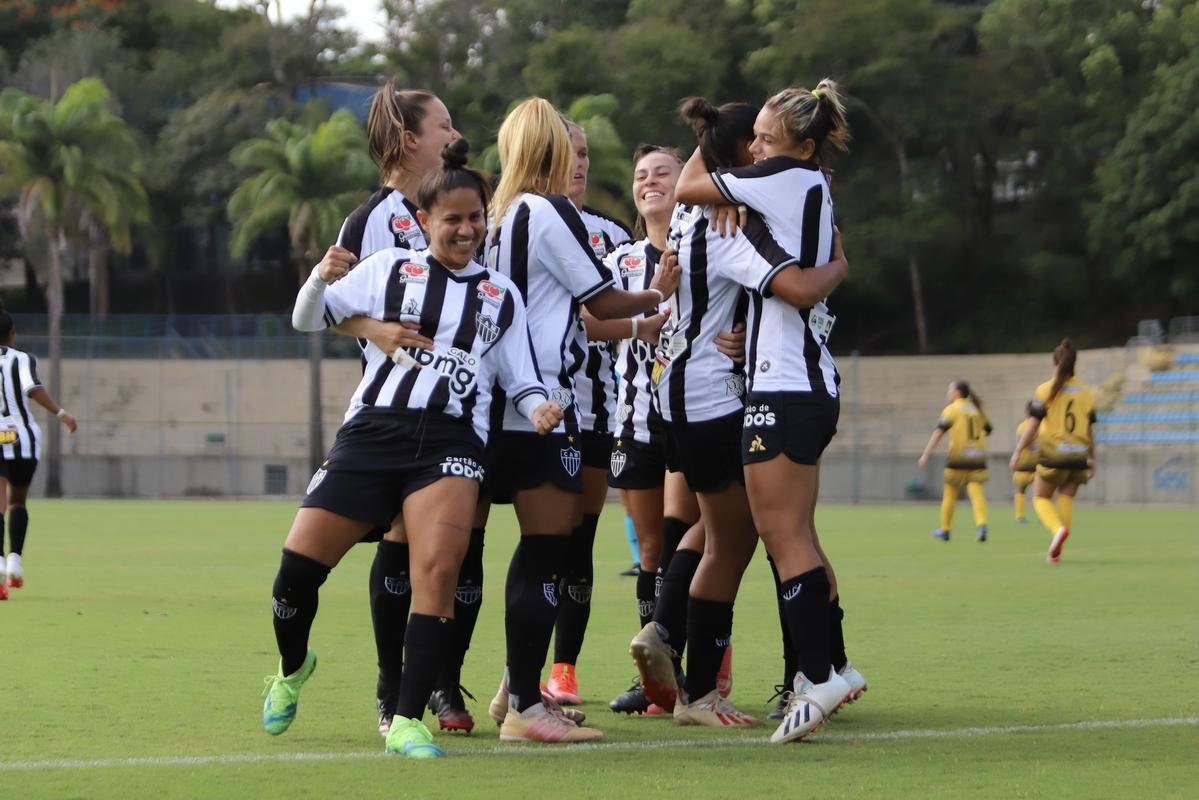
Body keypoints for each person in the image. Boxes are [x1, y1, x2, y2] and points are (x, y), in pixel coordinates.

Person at [267, 139, 563, 759]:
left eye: (475, 217)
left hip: (453, 441)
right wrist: (321, 278)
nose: (465, 229)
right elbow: (306, 320)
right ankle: (292, 667)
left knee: (437, 575)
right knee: (297, 571)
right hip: (374, 430)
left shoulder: (500, 296)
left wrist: (539, 406)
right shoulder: (389, 269)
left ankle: (406, 720)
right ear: (424, 221)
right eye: (451, 219)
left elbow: (522, 375)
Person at [481, 97, 679, 743]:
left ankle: (519, 686)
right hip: (544, 404)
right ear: (551, 149)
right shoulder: (548, 210)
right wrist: (660, 292)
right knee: (550, 549)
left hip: (500, 400)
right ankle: (524, 708)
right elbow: (601, 298)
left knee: (540, 547)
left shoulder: (500, 213)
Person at [673, 79, 865, 744]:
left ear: (801, 147)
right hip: (798, 379)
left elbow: (688, 187)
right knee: (797, 537)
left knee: (781, 538)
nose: (754, 147)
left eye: (766, 137)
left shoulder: (780, 180)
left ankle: (818, 677)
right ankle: (827, 669)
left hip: (783, 388)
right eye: (749, 136)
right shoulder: (805, 185)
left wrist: (711, 144)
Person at [312, 84, 483, 737]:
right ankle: (393, 689)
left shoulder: (462, 206)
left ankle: (442, 682)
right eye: (443, 124)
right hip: (395, 416)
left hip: (465, 411)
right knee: (401, 545)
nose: (453, 132)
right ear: (411, 138)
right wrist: (375, 331)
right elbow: (328, 308)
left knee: (460, 552)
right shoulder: (371, 219)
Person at [601, 144, 702, 715]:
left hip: (690, 421)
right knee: (652, 553)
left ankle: (700, 666)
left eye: (662, 172)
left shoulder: (703, 247)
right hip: (635, 423)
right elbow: (593, 319)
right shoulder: (621, 261)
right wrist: (642, 319)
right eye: (641, 176)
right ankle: (657, 680)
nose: (650, 182)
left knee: (689, 549)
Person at [543, 121, 633, 706]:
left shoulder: (611, 235)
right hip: (535, 413)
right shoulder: (515, 224)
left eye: (585, 154)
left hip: (598, 412)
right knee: (539, 544)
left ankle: (564, 670)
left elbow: (609, 310)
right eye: (567, 153)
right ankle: (506, 671)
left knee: (580, 540)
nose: (579, 164)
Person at [0, 311, 77, 600]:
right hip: (23, 438)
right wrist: (61, 413)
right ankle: (15, 562)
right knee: (18, 501)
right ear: (13, 333)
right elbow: (33, 389)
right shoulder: (22, 359)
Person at [1010, 339, 1096, 564]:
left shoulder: (1045, 390)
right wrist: (1092, 458)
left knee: (1040, 497)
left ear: (1055, 362)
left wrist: (1018, 450)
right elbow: (1089, 430)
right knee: (1066, 498)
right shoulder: (1086, 393)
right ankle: (1059, 550)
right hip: (1079, 455)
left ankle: (1057, 530)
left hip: (1054, 455)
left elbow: (1033, 425)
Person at [918, 380, 993, 542]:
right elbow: (988, 430)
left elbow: (939, 433)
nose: (948, 392)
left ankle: (945, 530)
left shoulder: (952, 409)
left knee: (950, 493)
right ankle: (982, 525)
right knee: (976, 492)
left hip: (958, 458)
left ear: (957, 392)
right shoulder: (976, 410)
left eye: (950, 389)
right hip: (977, 457)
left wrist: (926, 454)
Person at [1012, 404, 1039, 523]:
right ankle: (1020, 515)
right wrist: (1033, 437)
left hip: (1034, 465)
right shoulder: (1025, 427)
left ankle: (1021, 515)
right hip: (1026, 464)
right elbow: (1022, 443)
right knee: (1022, 489)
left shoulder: (1022, 427)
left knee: (1025, 490)